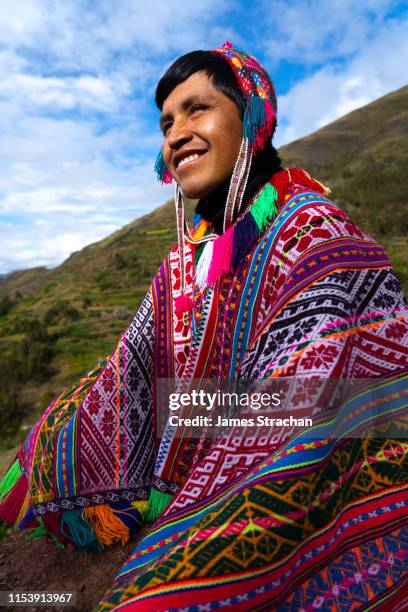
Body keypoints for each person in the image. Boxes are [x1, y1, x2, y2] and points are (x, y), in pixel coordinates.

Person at [1, 42, 407, 610]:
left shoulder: (314, 236)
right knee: (53, 445)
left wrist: (213, 502)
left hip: (329, 454)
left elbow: (304, 398)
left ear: (252, 118)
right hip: (213, 430)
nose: (176, 134)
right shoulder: (187, 258)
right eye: (167, 122)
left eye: (198, 109)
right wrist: (62, 441)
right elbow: (128, 371)